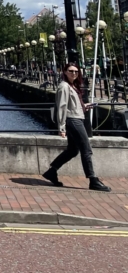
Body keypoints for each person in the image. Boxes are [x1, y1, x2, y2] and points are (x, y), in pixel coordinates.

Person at [42, 62, 111, 192]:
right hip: (73, 120)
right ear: (65, 72)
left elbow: (70, 104)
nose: (74, 73)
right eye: (71, 71)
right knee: (86, 149)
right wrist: (61, 127)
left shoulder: (71, 86)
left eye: (76, 71)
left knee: (73, 150)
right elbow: (61, 107)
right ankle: (93, 180)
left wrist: (84, 106)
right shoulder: (64, 86)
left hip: (76, 117)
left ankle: (52, 171)